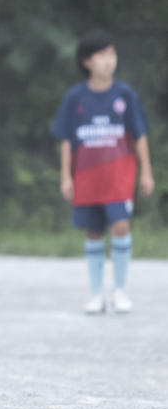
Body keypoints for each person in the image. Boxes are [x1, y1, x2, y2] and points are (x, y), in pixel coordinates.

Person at [52, 30, 153, 314]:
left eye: (112, 54)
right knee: (94, 232)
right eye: (101, 55)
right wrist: (65, 176)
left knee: (121, 225)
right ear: (86, 61)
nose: (109, 61)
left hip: (119, 177)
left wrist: (146, 171)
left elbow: (140, 134)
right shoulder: (75, 98)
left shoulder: (125, 95)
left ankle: (120, 290)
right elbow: (67, 140)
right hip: (86, 177)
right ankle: (96, 294)